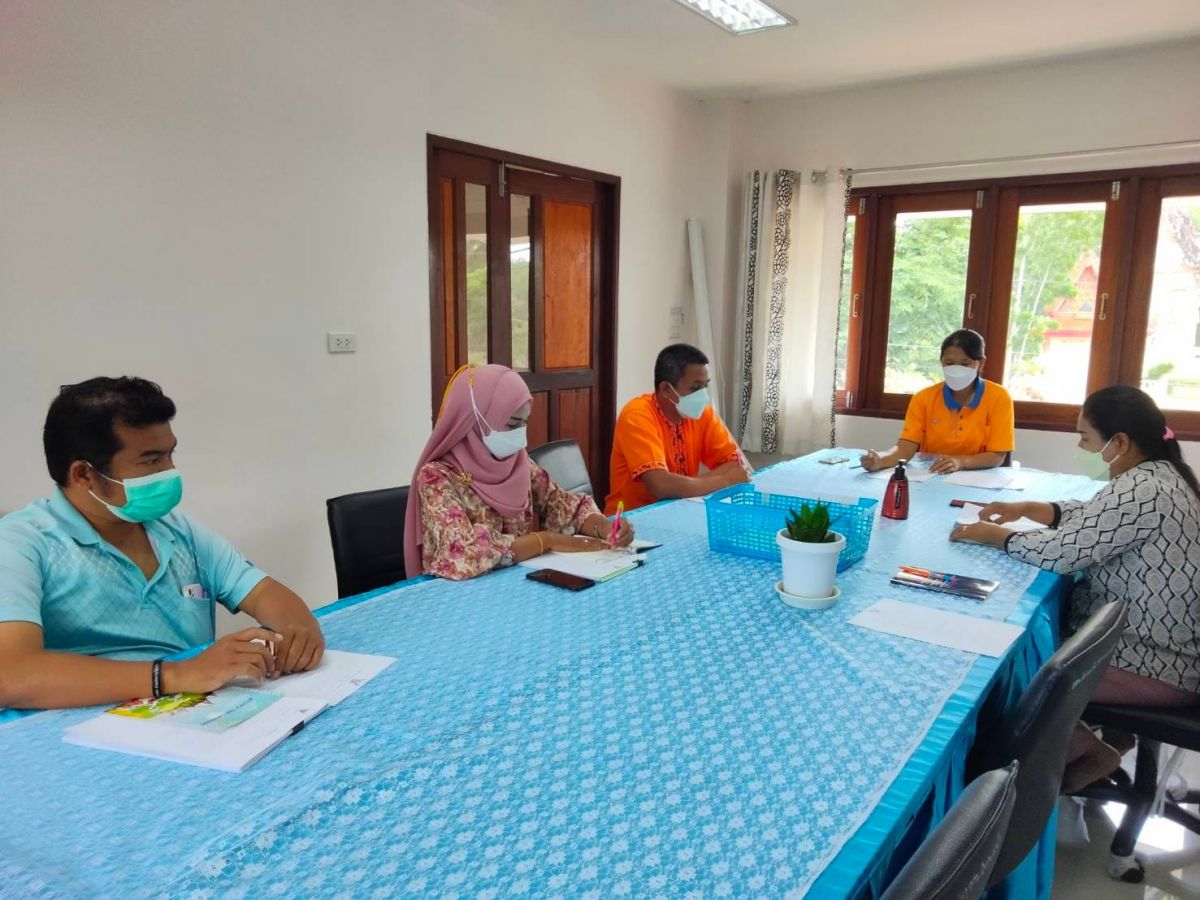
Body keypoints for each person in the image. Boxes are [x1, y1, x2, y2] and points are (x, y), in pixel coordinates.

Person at [0, 377, 324, 711]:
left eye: (170, 454)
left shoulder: (175, 531)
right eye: (152, 460)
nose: (171, 471)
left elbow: (262, 591)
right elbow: (10, 674)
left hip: (192, 713)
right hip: (80, 724)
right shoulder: (21, 543)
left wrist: (298, 627)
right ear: (84, 474)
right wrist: (174, 675)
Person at [951, 385, 1200, 792]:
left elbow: (1064, 554)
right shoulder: (1159, 475)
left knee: (1008, 670)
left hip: (1159, 663)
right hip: (1165, 648)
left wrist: (995, 536)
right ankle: (1095, 738)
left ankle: (1086, 752)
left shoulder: (1143, 489)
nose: (1080, 447)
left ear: (1120, 442)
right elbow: (1099, 517)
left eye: (1085, 437)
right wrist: (1034, 509)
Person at [405, 364, 633, 581]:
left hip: (516, 583)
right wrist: (545, 541)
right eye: (513, 424)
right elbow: (463, 552)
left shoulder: (518, 462)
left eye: (525, 422)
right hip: (460, 596)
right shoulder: (436, 477)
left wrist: (602, 526)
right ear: (476, 420)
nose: (520, 434)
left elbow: (561, 504)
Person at [605, 343, 751, 513]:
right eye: (695, 388)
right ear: (666, 389)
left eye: (705, 386)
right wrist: (726, 481)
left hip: (682, 510)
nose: (703, 396)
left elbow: (735, 466)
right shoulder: (637, 416)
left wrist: (683, 486)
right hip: (630, 520)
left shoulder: (701, 413)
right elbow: (660, 486)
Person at [860, 329, 1015, 475]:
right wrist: (881, 459)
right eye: (949, 363)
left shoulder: (999, 397)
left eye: (965, 364)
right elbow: (905, 448)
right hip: (933, 474)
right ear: (941, 362)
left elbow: (997, 456)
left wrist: (960, 462)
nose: (956, 369)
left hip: (980, 479)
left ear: (981, 363)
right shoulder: (923, 398)